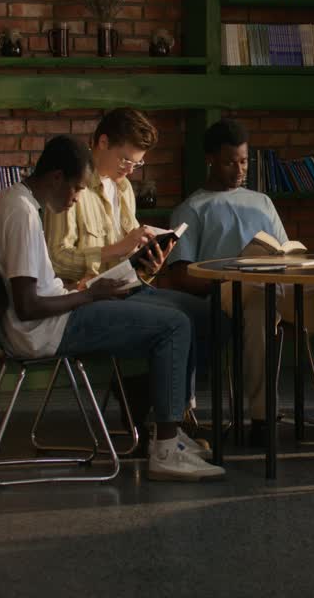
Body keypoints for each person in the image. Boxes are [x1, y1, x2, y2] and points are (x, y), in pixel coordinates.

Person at [0, 135, 224, 481]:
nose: (77, 197)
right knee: (175, 324)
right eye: (77, 189)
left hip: (51, 319)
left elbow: (32, 292)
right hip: (46, 329)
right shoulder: (21, 214)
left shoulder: (13, 202)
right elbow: (28, 304)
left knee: (175, 315)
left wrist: (83, 289)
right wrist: (90, 296)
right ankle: (166, 449)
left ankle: (168, 435)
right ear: (55, 178)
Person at [166, 119, 314, 445]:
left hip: (284, 283)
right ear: (210, 159)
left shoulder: (262, 202)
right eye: (229, 162)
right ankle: (263, 418)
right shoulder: (191, 209)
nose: (239, 169)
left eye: (244, 161)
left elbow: (285, 251)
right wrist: (233, 275)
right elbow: (180, 275)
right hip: (234, 289)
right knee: (260, 297)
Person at [42, 108, 214, 446]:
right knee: (177, 321)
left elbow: (129, 256)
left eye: (136, 164)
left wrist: (150, 260)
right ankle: (166, 424)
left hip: (127, 287)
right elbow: (56, 260)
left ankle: (152, 395)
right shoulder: (71, 188)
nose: (129, 170)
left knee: (208, 314)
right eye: (125, 160)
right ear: (101, 143)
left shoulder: (123, 190)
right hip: (89, 294)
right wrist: (118, 247)